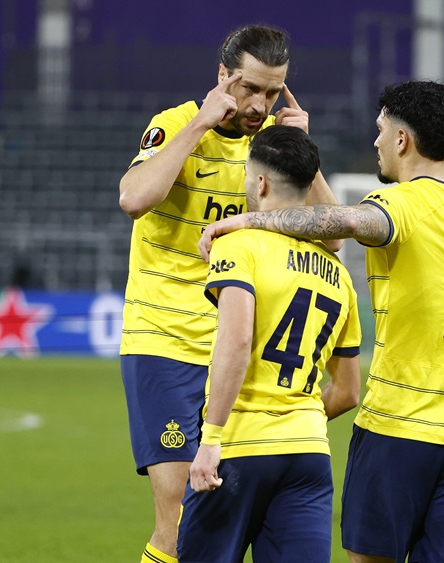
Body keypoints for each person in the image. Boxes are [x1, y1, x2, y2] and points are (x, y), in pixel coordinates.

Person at [200, 80, 444, 563]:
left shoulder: (400, 204)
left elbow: (345, 223)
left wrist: (249, 220)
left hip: (400, 427)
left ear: (402, 140)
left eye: (381, 130)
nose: (376, 141)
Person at [115, 24, 339, 563]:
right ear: (223, 76)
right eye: (250, 88)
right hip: (165, 343)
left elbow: (332, 236)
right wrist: (199, 123)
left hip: (240, 356)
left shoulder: (270, 150)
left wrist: (303, 154)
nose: (260, 105)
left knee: (223, 521)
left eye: (273, 92)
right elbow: (133, 199)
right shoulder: (174, 124)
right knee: (181, 518)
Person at [177, 125, 362, 563]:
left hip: (239, 448)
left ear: (260, 183)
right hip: (308, 454)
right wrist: (293, 419)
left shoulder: (238, 245)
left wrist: (211, 439)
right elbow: (348, 392)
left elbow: (237, 339)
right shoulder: (340, 276)